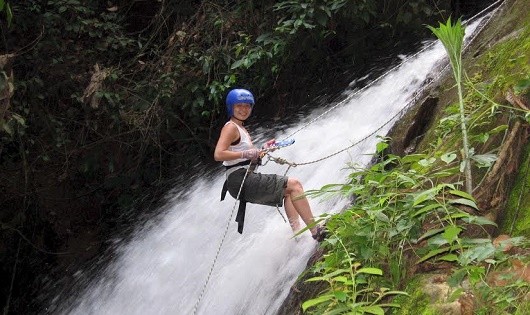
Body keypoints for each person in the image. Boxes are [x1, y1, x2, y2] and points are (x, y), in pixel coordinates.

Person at [214, 88, 325, 241]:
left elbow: (250, 157)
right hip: (239, 179)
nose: (243, 109)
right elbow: (218, 154)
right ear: (231, 107)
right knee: (295, 185)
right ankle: (316, 231)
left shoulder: (241, 129)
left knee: (289, 192)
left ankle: (298, 236)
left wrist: (264, 149)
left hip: (243, 178)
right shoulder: (230, 127)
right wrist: (245, 154)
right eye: (239, 105)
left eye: (247, 106)